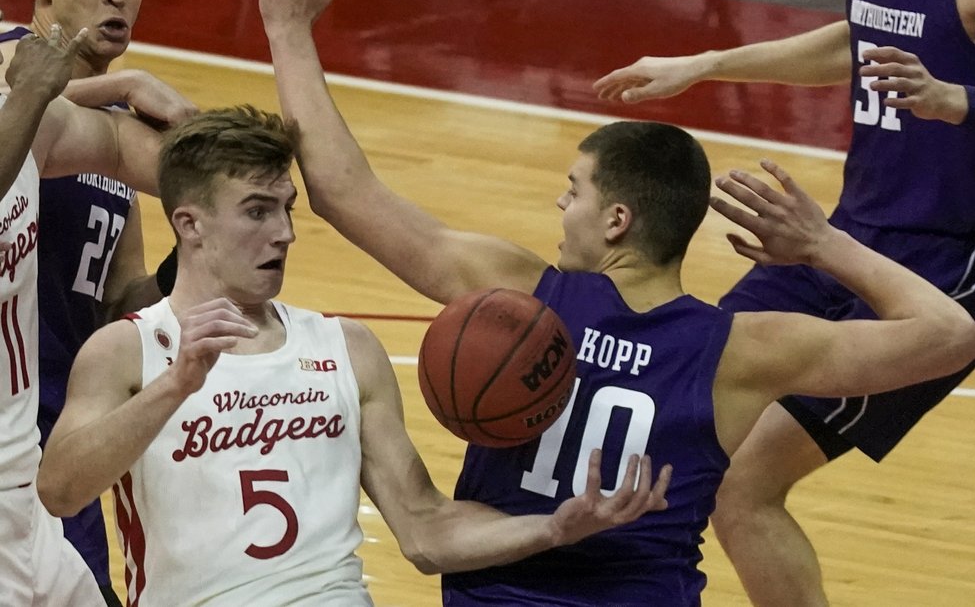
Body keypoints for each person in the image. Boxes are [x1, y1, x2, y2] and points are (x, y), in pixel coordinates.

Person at [253, 0, 975, 604]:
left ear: (616, 221)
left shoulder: (520, 294)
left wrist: (288, 31)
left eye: (574, 190)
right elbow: (950, 335)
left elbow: (343, 191)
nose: (559, 201)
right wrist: (823, 244)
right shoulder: (736, 353)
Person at [35, 102, 671, 606]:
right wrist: (173, 388)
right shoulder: (126, 350)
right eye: (256, 212)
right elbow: (61, 491)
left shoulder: (345, 347)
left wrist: (554, 527)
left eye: (285, 209)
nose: (283, 232)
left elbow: (426, 531)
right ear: (190, 224)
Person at [593, 0, 975, 603]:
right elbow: (859, 40)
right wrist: (708, 64)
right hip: (843, 235)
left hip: (948, 266)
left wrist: (955, 100)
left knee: (744, 485)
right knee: (675, 385)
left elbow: (946, 76)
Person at [0, 0, 197, 602]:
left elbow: (119, 304)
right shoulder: (8, 55)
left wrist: (189, 257)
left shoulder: (112, 140)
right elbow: (21, 96)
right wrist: (120, 84)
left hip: (61, 455)